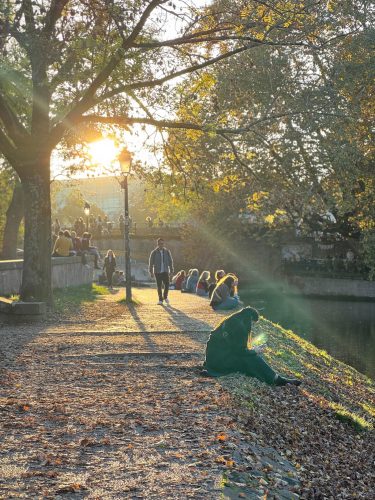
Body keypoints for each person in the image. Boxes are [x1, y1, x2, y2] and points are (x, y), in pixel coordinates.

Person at [203, 307, 302, 386]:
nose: (251, 326)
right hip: (219, 363)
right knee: (252, 358)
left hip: (213, 359)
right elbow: (240, 351)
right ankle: (277, 380)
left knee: (250, 358)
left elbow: (235, 347)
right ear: (249, 319)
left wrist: (252, 350)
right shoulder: (240, 326)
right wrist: (255, 351)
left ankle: (276, 378)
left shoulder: (232, 320)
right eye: (252, 323)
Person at [149, 237, 174, 305]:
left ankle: (165, 296)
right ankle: (160, 300)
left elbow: (170, 261)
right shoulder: (154, 252)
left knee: (167, 284)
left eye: (162, 244)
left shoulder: (167, 252)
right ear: (158, 244)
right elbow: (151, 263)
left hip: (165, 271)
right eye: (160, 243)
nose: (161, 245)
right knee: (159, 286)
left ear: (164, 244)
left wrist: (171, 270)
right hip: (157, 271)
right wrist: (151, 272)